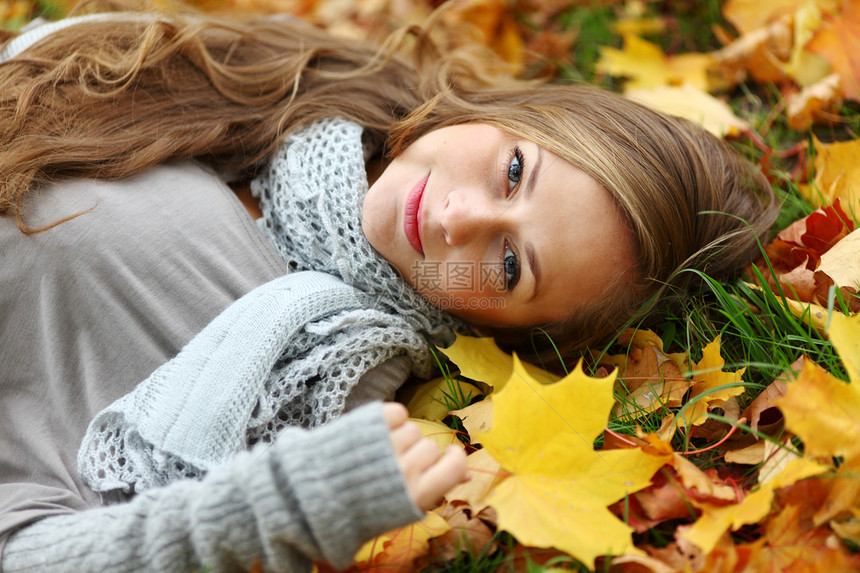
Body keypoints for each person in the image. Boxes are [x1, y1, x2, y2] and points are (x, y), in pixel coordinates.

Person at [0, 1, 778, 571]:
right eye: (514, 171)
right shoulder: (301, 86)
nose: (457, 215)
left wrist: (261, 511)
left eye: (510, 265)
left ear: (505, 333)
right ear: (515, 117)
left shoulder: (316, 384)